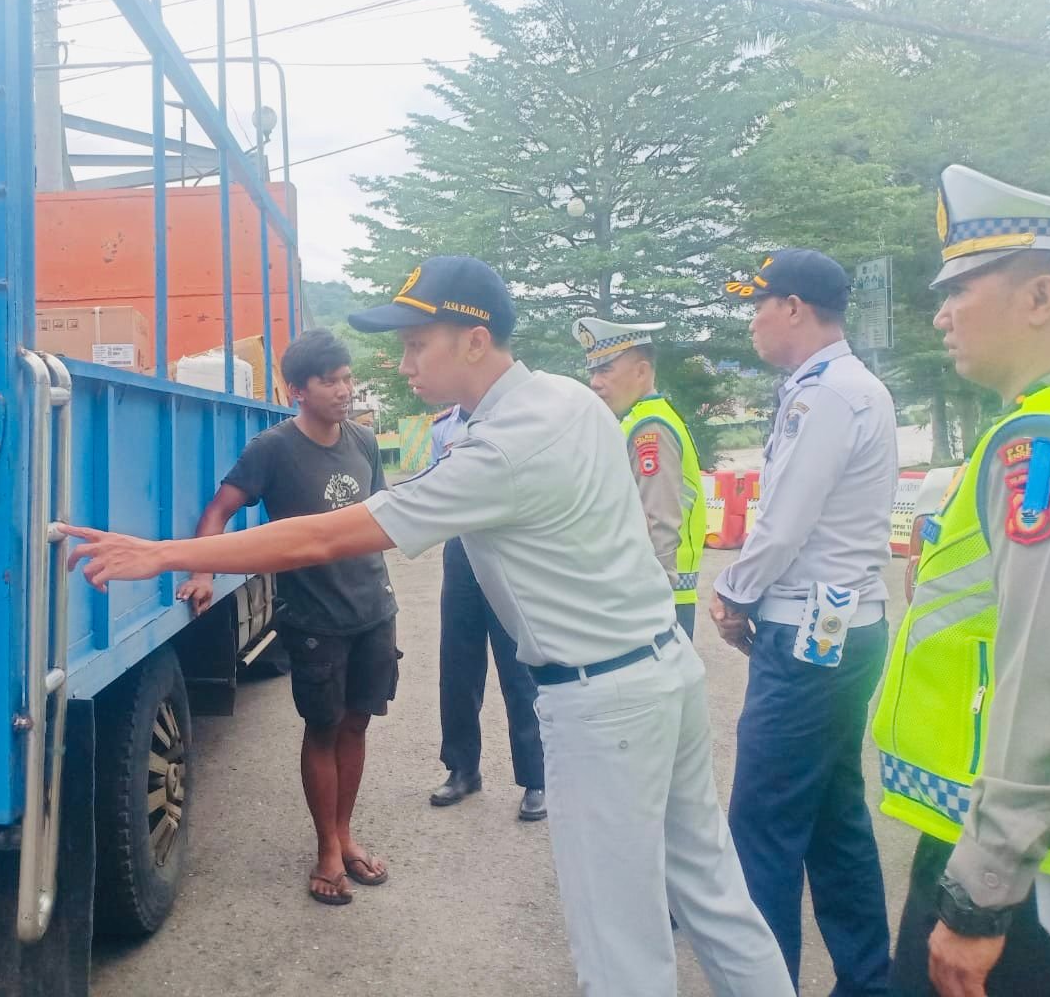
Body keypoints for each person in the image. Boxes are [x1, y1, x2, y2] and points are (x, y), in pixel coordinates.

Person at [66, 256, 793, 996]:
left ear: (474, 341)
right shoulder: (567, 399)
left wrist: (161, 553)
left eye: (418, 343)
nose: (402, 363)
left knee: (619, 947)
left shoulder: (503, 447)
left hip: (603, 705)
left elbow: (321, 536)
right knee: (715, 897)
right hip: (661, 672)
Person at [870, 166, 1050, 997]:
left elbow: (1047, 680)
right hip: (1045, 850)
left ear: (1040, 298)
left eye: (960, 286)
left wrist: (979, 896)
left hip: (1033, 874)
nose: (940, 312)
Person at [712, 248, 899, 995]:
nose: (751, 321)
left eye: (757, 305)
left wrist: (733, 592)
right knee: (831, 816)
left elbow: (785, 520)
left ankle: (764, 985)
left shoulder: (821, 394)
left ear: (792, 307)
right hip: (846, 627)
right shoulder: (852, 388)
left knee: (761, 827)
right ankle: (865, 979)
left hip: (806, 632)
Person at [174, 328, 398, 908]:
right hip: (316, 616)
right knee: (322, 728)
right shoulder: (272, 449)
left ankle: (346, 835)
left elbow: (377, 516)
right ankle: (326, 848)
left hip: (374, 608)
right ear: (297, 389)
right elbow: (221, 508)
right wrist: (201, 571)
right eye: (330, 381)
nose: (344, 390)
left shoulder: (366, 442)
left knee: (357, 724)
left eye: (348, 378)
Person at [425, 402, 546, 821]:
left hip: (510, 550)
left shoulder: (519, 417)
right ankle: (462, 769)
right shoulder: (443, 428)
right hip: (461, 549)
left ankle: (536, 778)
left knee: (520, 669)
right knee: (457, 665)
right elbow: (436, 483)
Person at [573, 317, 707, 640]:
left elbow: (658, 521)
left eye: (605, 370)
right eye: (592, 371)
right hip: (653, 596)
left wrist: (649, 601)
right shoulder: (637, 420)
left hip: (657, 600)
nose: (595, 382)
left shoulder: (650, 429)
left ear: (641, 372)